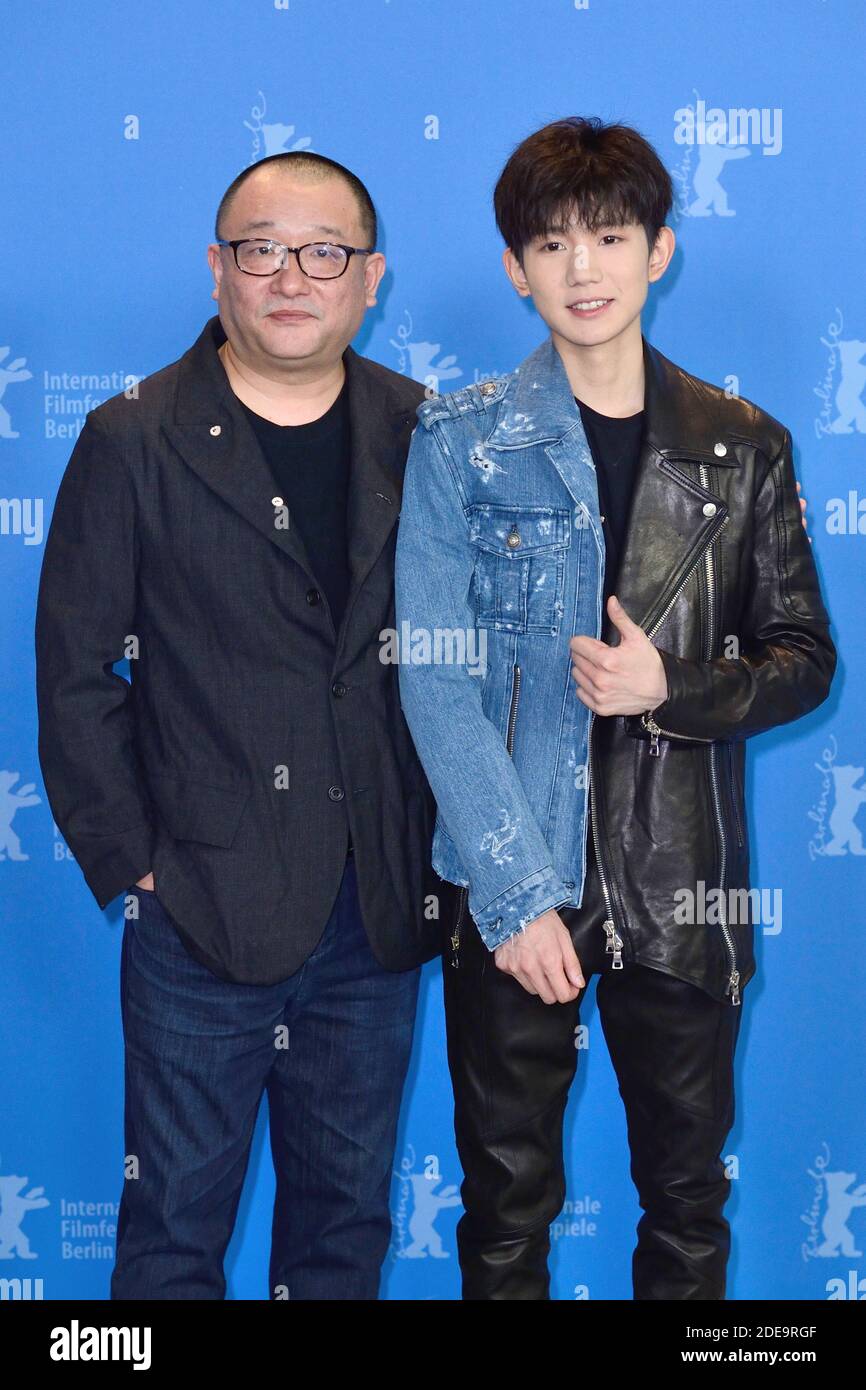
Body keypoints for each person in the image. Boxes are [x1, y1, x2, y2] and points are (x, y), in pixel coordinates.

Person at [394, 116, 835, 1299]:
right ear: (512, 267)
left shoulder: (744, 449)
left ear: (658, 250)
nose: (579, 268)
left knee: (687, 1207)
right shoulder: (459, 442)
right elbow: (434, 675)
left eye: (607, 235)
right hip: (511, 873)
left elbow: (804, 660)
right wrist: (514, 892)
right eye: (549, 244)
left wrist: (670, 689)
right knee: (501, 1214)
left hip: (682, 881)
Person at [35, 150, 457, 1300]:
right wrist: (140, 865)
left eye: (323, 253)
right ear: (216, 268)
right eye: (259, 249)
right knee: (172, 1231)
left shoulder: (423, 433)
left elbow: (454, 665)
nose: (290, 276)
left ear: (369, 278)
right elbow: (74, 675)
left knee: (343, 1232)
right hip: (203, 913)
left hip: (373, 911)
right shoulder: (132, 438)